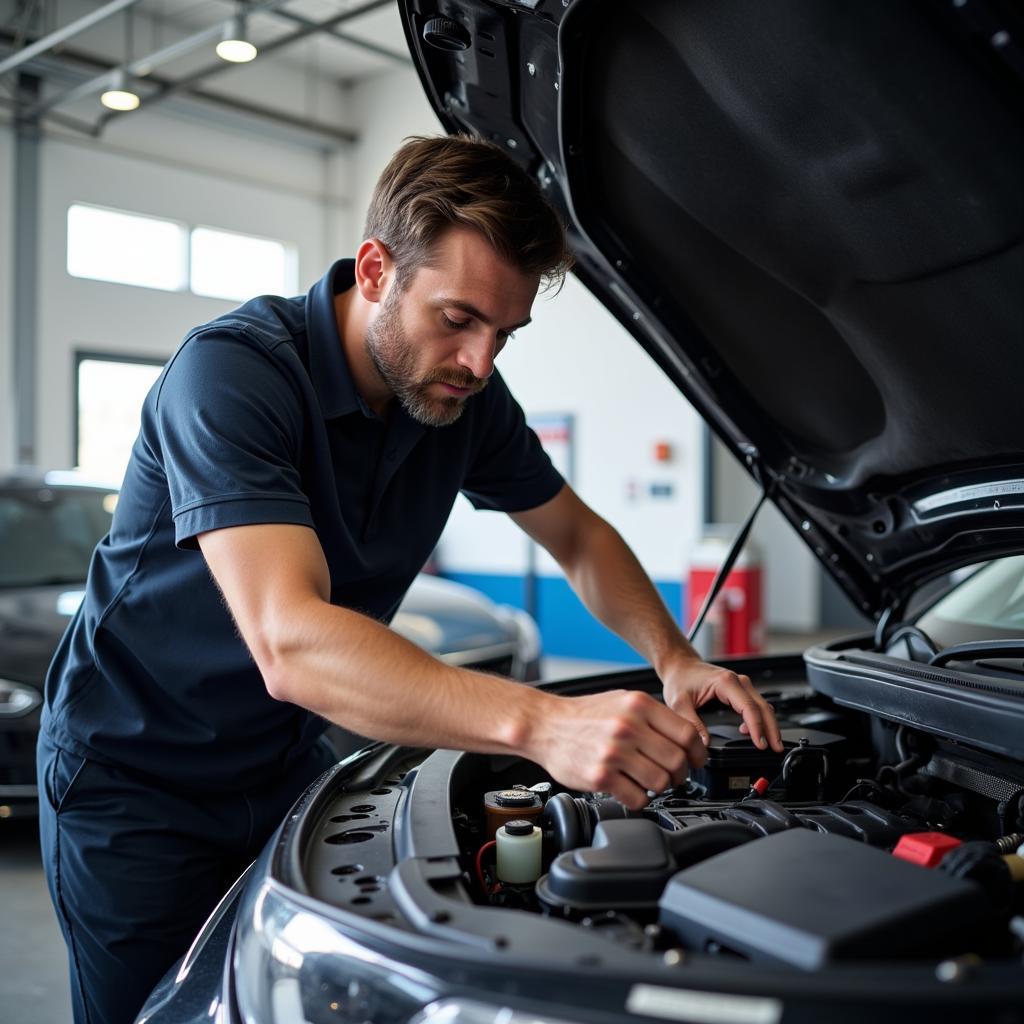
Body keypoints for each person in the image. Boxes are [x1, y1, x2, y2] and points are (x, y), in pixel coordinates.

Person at [38, 134, 782, 1023]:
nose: (479, 362)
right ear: (377, 267)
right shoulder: (232, 375)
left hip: (282, 766)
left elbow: (577, 534)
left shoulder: (459, 402)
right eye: (459, 318)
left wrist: (671, 655)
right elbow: (290, 640)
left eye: (504, 334)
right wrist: (542, 723)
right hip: (137, 781)